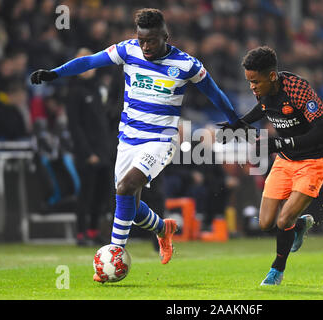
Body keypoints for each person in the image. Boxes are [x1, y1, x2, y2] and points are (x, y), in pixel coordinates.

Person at [30, 8, 246, 282]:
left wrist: (235, 121)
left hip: (160, 141)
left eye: (151, 41)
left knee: (125, 187)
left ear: (165, 36)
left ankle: (115, 253)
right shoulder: (128, 50)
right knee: (128, 202)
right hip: (128, 139)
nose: (145, 47)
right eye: (141, 40)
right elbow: (89, 62)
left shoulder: (186, 64)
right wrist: (55, 73)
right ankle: (162, 229)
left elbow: (214, 93)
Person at [220, 46, 323, 285]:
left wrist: (280, 142)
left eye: (255, 81)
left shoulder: (298, 89)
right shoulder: (261, 89)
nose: (252, 87)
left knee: (283, 221)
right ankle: (300, 224)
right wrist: (240, 123)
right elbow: (263, 107)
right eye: (249, 81)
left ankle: (276, 271)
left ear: (272, 76)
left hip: (313, 161)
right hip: (285, 160)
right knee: (265, 224)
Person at [65, 48, 113, 246]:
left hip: (103, 151)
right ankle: (81, 233)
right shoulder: (74, 92)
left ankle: (94, 231)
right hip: (88, 153)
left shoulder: (98, 90)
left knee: (101, 194)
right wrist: (87, 153)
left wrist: (107, 150)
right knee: (86, 193)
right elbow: (75, 127)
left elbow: (105, 122)